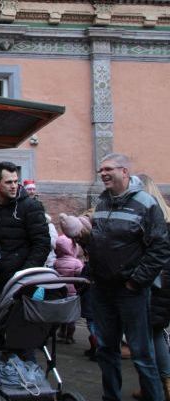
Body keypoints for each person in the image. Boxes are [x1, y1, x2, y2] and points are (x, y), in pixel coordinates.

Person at [73, 154, 170, 401]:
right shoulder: (103, 203)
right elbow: (100, 241)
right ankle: (110, 397)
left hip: (131, 291)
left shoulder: (146, 203)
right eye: (100, 170)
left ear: (124, 172)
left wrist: (136, 281)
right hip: (103, 289)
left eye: (108, 169)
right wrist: (85, 240)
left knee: (141, 352)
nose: (102, 173)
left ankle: (154, 397)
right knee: (106, 349)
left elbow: (160, 248)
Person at [0, 161, 50, 308]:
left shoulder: (31, 207)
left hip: (19, 281)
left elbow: (42, 244)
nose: (14, 186)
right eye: (8, 182)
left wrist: (23, 276)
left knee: (16, 328)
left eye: (16, 181)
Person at [131, 173, 170, 400]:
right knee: (156, 332)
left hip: (152, 280)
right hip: (166, 281)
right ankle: (159, 384)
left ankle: (155, 384)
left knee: (148, 335)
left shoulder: (143, 215)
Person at [53, 235, 83, 344]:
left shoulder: (56, 262)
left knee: (60, 313)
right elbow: (80, 275)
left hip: (60, 291)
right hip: (73, 293)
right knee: (71, 316)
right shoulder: (76, 262)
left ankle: (59, 332)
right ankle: (69, 337)